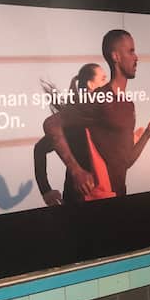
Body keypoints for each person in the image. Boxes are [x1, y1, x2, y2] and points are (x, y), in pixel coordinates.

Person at [43, 29, 150, 200]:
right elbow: (51, 124)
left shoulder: (128, 105)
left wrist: (147, 135)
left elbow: (125, 162)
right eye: (131, 51)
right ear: (116, 57)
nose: (136, 57)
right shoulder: (99, 98)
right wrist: (76, 170)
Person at [34, 63, 112, 206]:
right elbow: (40, 148)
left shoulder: (105, 112)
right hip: (79, 200)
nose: (107, 83)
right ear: (90, 84)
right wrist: (45, 190)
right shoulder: (76, 117)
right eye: (103, 79)